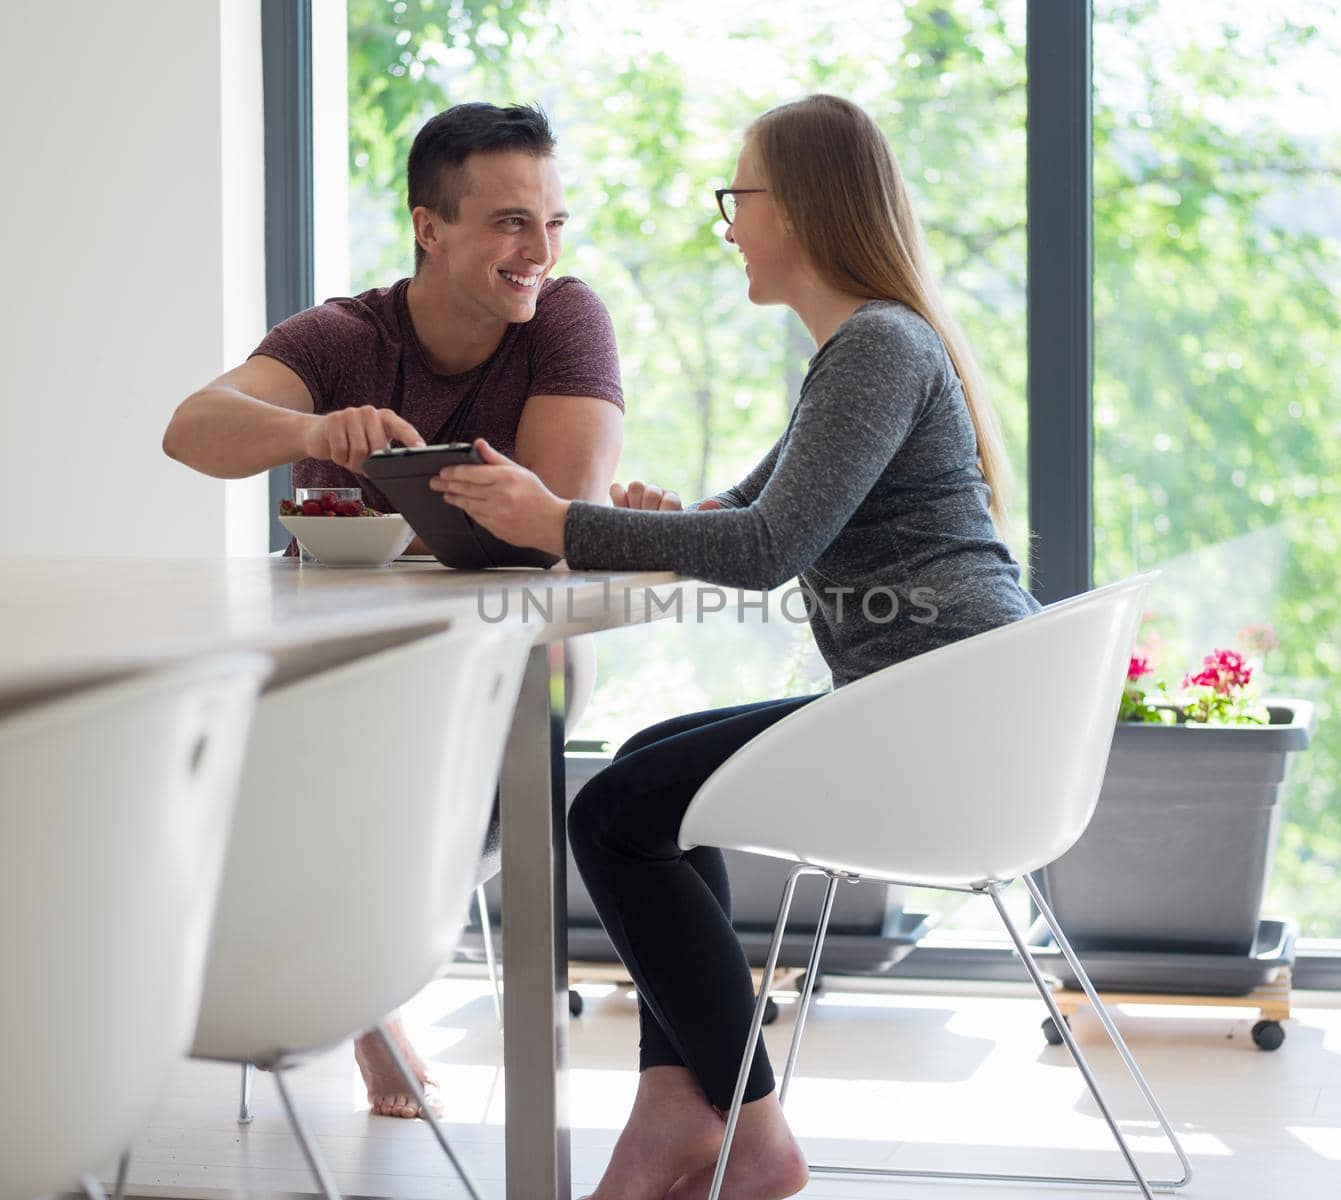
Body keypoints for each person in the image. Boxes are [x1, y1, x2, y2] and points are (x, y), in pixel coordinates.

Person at [430, 94, 1040, 1199]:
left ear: (799, 210)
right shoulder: (864, 352)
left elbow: (762, 549)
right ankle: (680, 1103)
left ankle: (747, 1131)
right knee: (644, 780)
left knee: (612, 814)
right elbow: (741, 512)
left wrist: (555, 520)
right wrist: (659, 514)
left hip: (941, 715)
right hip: (942, 703)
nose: (729, 224)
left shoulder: (874, 350)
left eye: (738, 197)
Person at [163, 101, 625, 1121]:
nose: (538, 249)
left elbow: (554, 514)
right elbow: (192, 428)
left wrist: (405, 497)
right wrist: (315, 424)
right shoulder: (340, 338)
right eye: (510, 222)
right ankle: (362, 994)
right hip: (339, 661)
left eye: (552, 222)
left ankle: (360, 982)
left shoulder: (566, 318)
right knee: (249, 755)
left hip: (508, 653)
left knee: (500, 725)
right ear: (431, 227)